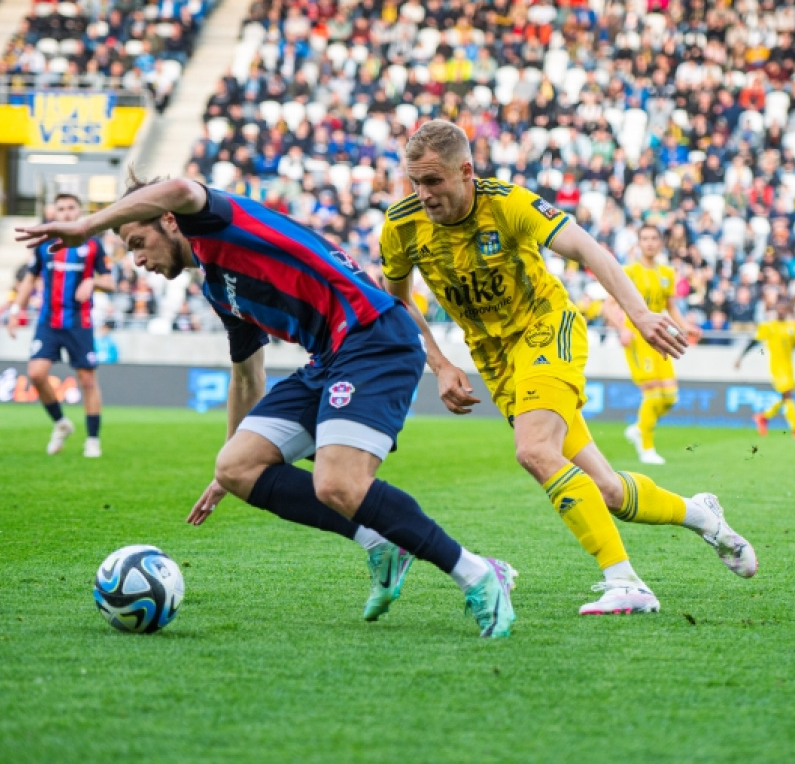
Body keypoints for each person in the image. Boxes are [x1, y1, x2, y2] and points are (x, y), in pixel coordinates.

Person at [15, 173, 517, 639]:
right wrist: (230, 468)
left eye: (137, 243)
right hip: (331, 358)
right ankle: (380, 541)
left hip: (374, 336)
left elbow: (179, 187)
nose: (137, 260)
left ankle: (477, 572)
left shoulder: (216, 220)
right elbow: (247, 373)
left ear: (169, 221)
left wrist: (87, 224)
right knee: (236, 465)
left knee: (339, 482)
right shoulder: (216, 285)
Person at [379, 120, 757, 616]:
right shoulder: (401, 224)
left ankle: (626, 582)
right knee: (608, 491)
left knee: (534, 449)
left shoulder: (508, 203)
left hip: (547, 327)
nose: (423, 194)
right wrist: (440, 362)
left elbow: (586, 248)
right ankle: (703, 516)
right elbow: (397, 298)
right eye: (415, 182)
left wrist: (639, 313)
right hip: (498, 360)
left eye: (433, 181)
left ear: (466, 171)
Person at [7, 193, 114, 457]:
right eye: (61, 209)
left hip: (79, 322)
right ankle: (60, 423)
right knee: (36, 374)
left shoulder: (93, 246)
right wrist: (16, 310)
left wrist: (94, 282)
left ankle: (92, 439)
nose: (66, 213)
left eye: (71, 208)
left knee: (87, 379)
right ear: (54, 213)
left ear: (78, 212)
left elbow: (110, 281)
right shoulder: (44, 245)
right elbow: (30, 279)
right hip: (48, 321)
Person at [604, 224, 702, 465]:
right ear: (638, 243)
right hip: (638, 337)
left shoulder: (667, 273)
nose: (649, 243)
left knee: (669, 397)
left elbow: (670, 308)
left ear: (660, 243)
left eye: (653, 238)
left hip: (661, 336)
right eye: (644, 238)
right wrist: (622, 328)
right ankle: (646, 447)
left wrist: (685, 326)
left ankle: (639, 427)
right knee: (653, 394)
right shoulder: (628, 271)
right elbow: (608, 305)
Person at [734, 298, 795, 438]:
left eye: (784, 308)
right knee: (788, 395)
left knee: (787, 397)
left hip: (789, 368)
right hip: (776, 368)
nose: (781, 310)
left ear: (787, 310)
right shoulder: (768, 326)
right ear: (775, 310)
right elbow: (754, 342)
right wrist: (741, 357)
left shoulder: (794, 326)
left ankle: (763, 417)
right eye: (779, 308)